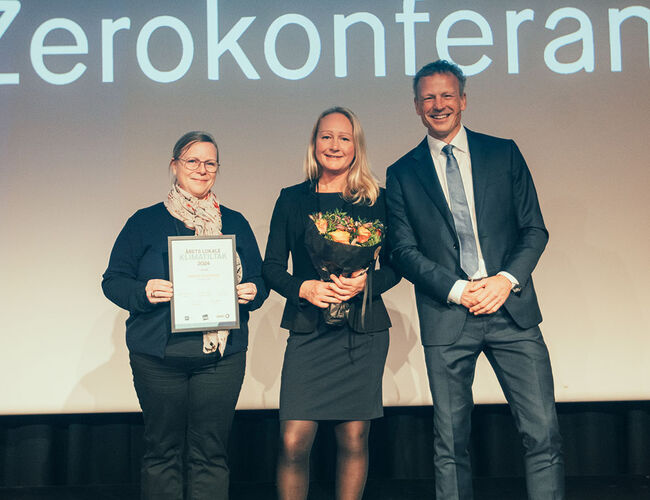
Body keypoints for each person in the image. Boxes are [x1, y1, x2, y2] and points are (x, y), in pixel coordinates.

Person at [385, 60, 564, 499]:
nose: (438, 104)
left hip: (512, 312)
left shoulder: (502, 153)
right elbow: (402, 251)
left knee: (542, 435)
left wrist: (504, 280)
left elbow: (534, 229)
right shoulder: (402, 173)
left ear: (463, 100)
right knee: (450, 444)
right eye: (428, 97)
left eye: (447, 95)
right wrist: (459, 290)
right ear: (416, 106)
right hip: (448, 315)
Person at [102, 131, 267, 500]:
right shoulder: (144, 221)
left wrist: (253, 292)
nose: (201, 169)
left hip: (219, 359)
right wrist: (143, 292)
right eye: (192, 161)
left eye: (210, 163)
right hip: (157, 358)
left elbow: (259, 279)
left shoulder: (235, 222)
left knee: (210, 452)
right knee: (162, 451)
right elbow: (113, 281)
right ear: (174, 166)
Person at [263, 107, 400, 500]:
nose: (334, 145)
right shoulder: (292, 200)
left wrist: (366, 284)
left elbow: (396, 267)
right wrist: (303, 288)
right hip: (309, 328)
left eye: (344, 137)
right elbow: (271, 268)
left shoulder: (379, 200)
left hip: (362, 330)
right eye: (326, 136)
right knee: (293, 441)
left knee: (355, 438)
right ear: (314, 143)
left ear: (356, 146)